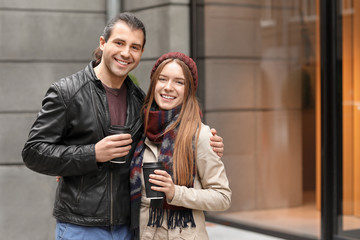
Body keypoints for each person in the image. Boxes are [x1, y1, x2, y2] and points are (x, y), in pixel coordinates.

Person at [22, 12, 224, 240]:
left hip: (130, 226)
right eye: (119, 43)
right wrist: (92, 154)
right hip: (82, 226)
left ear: (141, 54)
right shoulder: (67, 92)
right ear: (102, 43)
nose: (126, 53)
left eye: (135, 47)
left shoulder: (141, 101)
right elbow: (33, 152)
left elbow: (167, 134)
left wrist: (207, 141)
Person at [129, 52, 231, 240]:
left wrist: (175, 192)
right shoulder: (138, 129)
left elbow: (222, 197)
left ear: (188, 90)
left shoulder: (200, 135)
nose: (168, 87)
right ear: (154, 84)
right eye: (163, 79)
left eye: (179, 82)